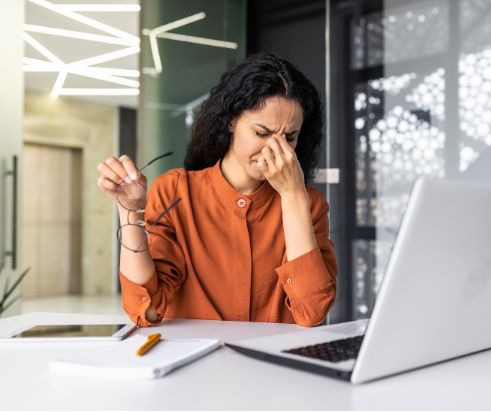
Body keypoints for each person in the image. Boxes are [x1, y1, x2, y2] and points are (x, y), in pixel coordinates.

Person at [96, 53, 337, 327]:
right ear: (231, 121)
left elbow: (313, 312)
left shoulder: (309, 205)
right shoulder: (175, 191)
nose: (276, 150)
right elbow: (146, 309)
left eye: (289, 137)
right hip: (194, 364)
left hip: (270, 366)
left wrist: (293, 197)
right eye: (261, 133)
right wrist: (129, 211)